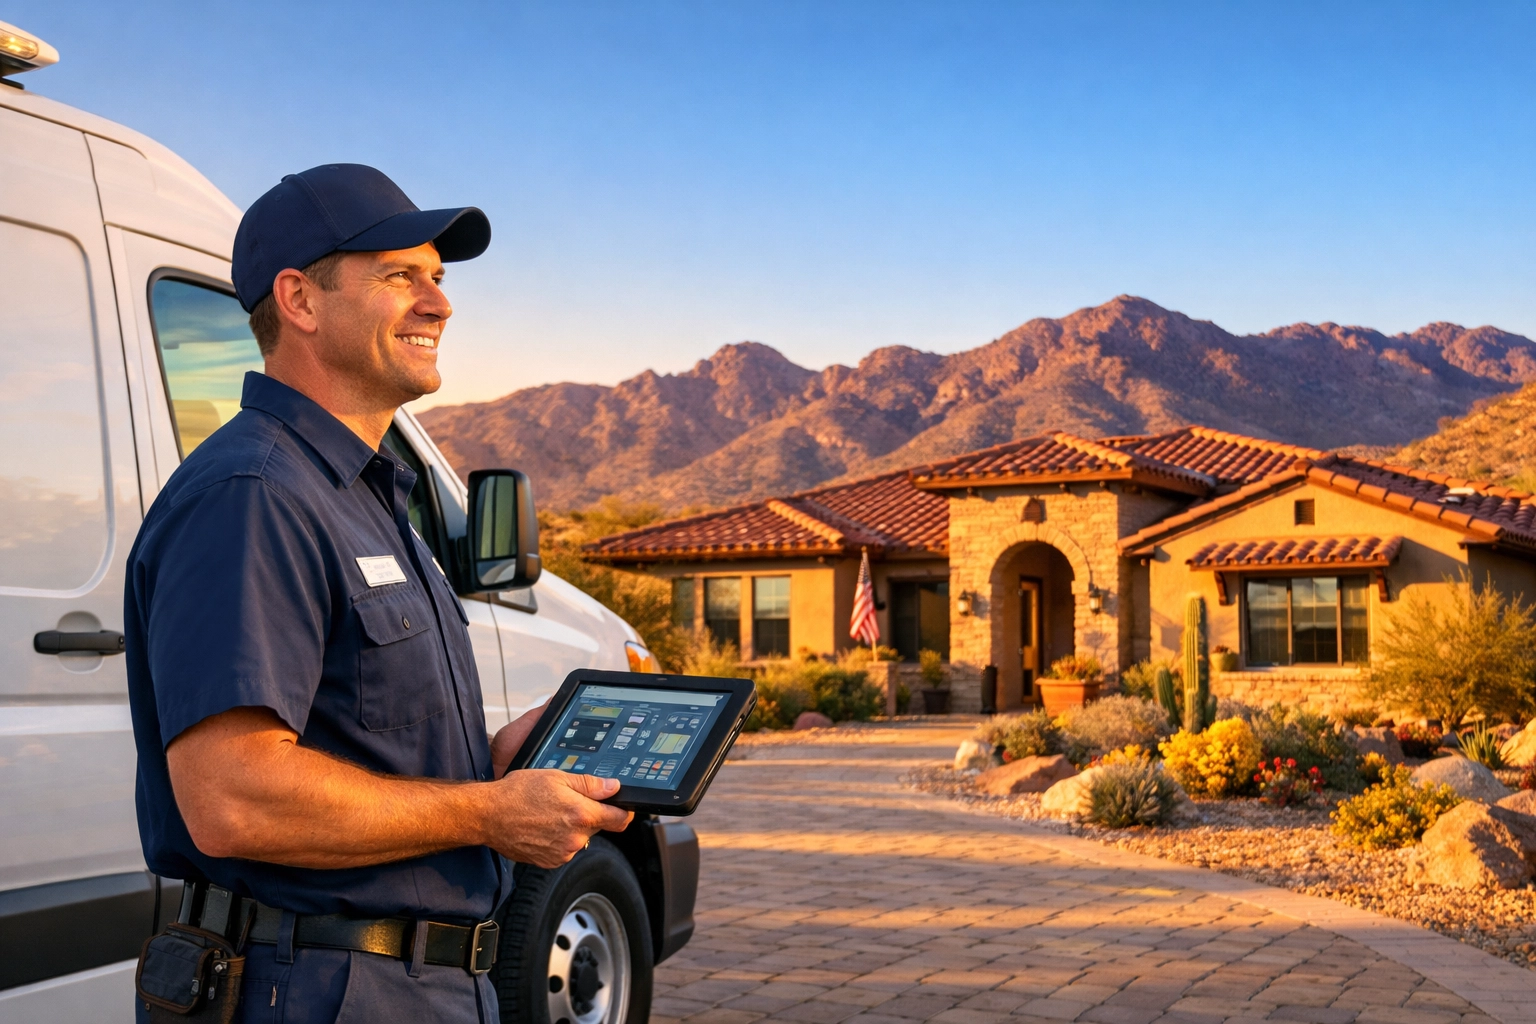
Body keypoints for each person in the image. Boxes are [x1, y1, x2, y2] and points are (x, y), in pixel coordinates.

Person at [124, 164, 632, 1023]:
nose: (439, 303)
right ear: (301, 300)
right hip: (313, 988)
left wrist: (493, 762)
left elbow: (356, 741)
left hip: (403, 985)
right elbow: (233, 798)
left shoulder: (360, 496)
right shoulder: (255, 495)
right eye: (402, 275)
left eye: (438, 277)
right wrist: (487, 813)